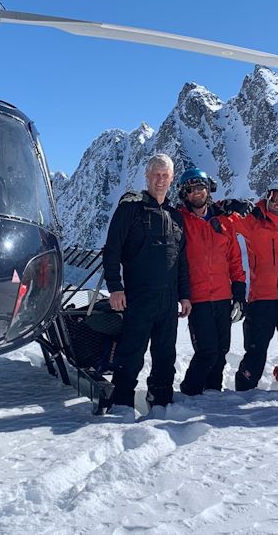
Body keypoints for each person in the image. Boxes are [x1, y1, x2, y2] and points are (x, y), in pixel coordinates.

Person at [102, 153, 192, 410]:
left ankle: (161, 402)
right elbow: (112, 251)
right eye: (156, 174)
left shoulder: (176, 217)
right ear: (147, 176)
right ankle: (121, 405)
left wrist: (184, 295)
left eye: (165, 175)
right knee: (130, 354)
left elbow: (181, 261)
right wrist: (115, 288)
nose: (161, 179)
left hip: (168, 300)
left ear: (172, 178)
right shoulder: (130, 209)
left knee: (166, 355)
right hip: (138, 296)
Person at [226, 179, 278, 392]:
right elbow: (227, 221)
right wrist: (229, 205)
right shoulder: (253, 221)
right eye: (276, 197)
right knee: (255, 349)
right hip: (261, 299)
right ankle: (244, 387)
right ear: (268, 196)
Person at [176, 168, 246, 396]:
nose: (196, 193)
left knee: (222, 350)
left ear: (209, 189)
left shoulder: (224, 221)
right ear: (184, 195)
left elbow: (234, 259)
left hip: (223, 297)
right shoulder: (179, 220)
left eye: (200, 187)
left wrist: (239, 293)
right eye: (191, 189)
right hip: (198, 298)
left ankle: (213, 393)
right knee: (207, 351)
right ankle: (190, 392)